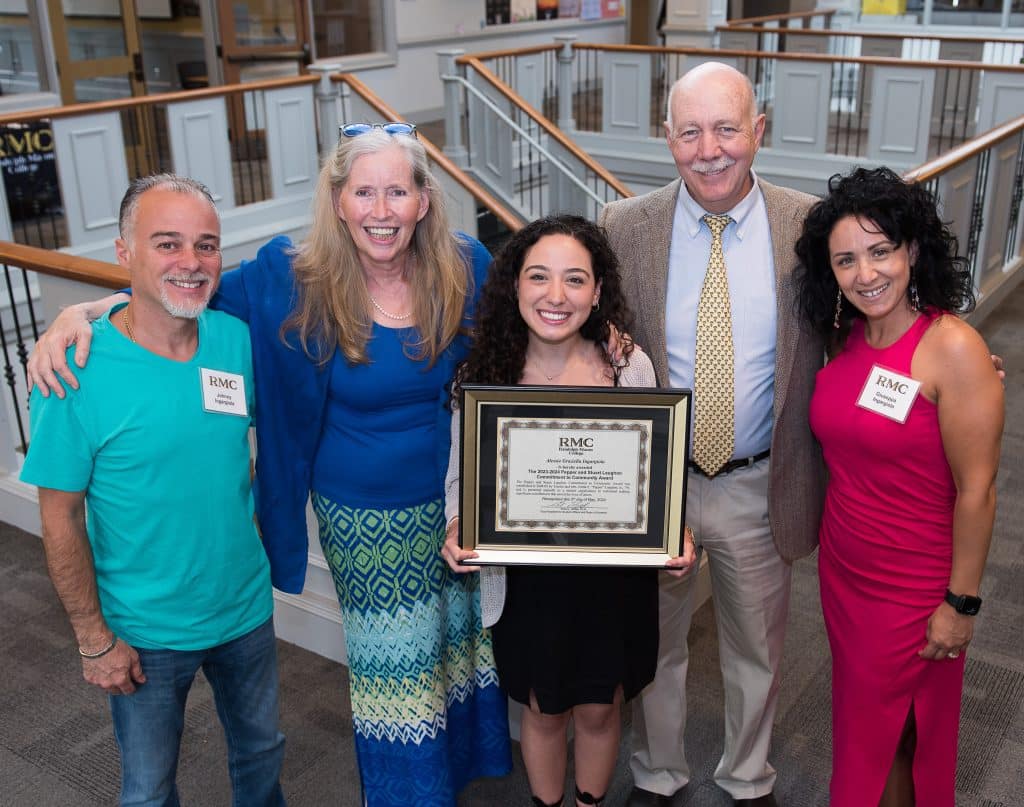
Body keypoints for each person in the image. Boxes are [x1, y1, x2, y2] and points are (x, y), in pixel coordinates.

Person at [25, 127, 512, 807]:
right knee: (395, 680)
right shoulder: (292, 274)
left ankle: (452, 781)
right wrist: (77, 311)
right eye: (363, 191)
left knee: (450, 659)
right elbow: (177, 291)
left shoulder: (468, 264)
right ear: (338, 200)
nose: (381, 208)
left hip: (456, 503)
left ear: (423, 201)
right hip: (364, 520)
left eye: (398, 190)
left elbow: (533, 318)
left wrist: (604, 328)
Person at [598, 62, 826, 807]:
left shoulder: (809, 226)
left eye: (727, 128)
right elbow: (582, 333)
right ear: (668, 141)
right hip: (658, 485)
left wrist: (942, 353)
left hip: (763, 479)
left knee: (757, 649)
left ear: (757, 131)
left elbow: (862, 321)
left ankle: (747, 775)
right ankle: (657, 772)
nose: (710, 149)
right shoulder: (623, 226)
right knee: (655, 645)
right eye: (690, 132)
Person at [19, 174, 286, 806]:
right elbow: (59, 518)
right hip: (143, 629)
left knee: (262, 756)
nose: (191, 263)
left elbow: (236, 453)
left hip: (244, 608)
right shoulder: (73, 371)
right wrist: (94, 640)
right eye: (167, 243)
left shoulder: (235, 339)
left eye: (206, 245)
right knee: (147, 788)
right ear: (123, 252)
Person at [441, 215, 696, 807]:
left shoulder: (628, 368)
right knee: (543, 708)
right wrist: (458, 524)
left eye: (575, 280)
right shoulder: (483, 375)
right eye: (539, 277)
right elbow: (460, 479)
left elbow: (656, 473)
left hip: (612, 582)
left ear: (598, 290)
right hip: (529, 583)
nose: (556, 296)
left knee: (603, 710)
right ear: (515, 286)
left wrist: (672, 529)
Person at [794, 167, 1003, 807]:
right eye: (846, 260)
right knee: (867, 727)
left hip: (915, 585)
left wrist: (960, 605)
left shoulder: (952, 347)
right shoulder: (842, 338)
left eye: (880, 251)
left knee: (906, 733)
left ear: (912, 250)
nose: (866, 274)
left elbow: (979, 490)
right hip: (846, 572)